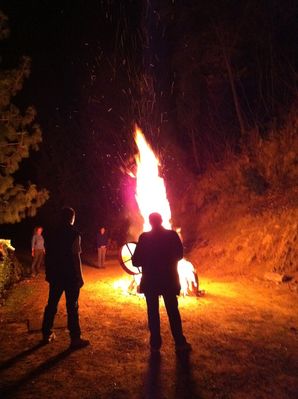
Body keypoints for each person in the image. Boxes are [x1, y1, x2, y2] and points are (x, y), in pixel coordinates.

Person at [132, 212, 191, 353]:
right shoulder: (172, 235)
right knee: (173, 311)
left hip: (151, 281)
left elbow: (135, 261)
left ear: (150, 222)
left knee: (153, 312)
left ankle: (155, 343)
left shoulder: (144, 238)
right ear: (162, 220)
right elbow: (180, 255)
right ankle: (179, 342)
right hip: (169, 280)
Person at [41, 207, 89, 350]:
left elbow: (47, 253)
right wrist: (80, 277)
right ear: (71, 218)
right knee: (72, 307)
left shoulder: (50, 232)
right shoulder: (74, 234)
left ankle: (46, 333)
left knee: (51, 304)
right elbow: (75, 257)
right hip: (69, 276)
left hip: (55, 274)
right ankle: (75, 338)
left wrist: (49, 271)